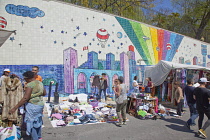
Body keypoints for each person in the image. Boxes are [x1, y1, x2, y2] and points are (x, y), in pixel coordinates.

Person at [9, 71, 46, 140]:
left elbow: (26, 98)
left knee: (31, 123)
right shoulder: (40, 83)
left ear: (27, 78)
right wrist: (37, 94)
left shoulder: (30, 85)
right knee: (38, 121)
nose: (25, 80)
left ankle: (34, 138)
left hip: (32, 105)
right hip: (40, 105)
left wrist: (15, 108)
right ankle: (38, 137)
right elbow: (44, 93)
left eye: (25, 78)